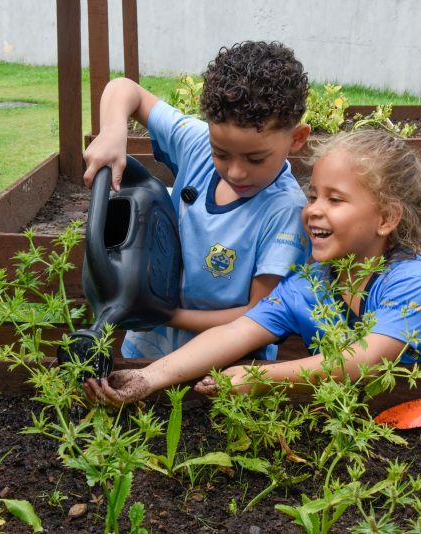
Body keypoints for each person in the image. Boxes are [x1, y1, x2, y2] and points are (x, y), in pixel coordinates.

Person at [83, 130, 421, 404]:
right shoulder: (307, 285)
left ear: (386, 218)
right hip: (351, 416)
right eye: (313, 195)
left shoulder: (413, 279)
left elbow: (364, 359)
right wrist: (149, 378)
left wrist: (262, 377)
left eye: (335, 199)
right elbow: (236, 332)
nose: (314, 208)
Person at [83, 41, 311, 360]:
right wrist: (111, 132)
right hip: (147, 348)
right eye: (221, 153)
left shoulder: (286, 212)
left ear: (297, 138)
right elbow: (124, 89)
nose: (236, 171)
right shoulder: (197, 144)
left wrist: (161, 313)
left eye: (255, 159)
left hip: (225, 366)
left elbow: (258, 314)